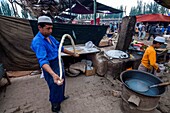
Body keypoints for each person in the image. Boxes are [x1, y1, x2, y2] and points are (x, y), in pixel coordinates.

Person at [31, 16, 79, 113]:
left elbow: (59, 47)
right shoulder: (38, 42)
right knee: (54, 84)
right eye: (48, 28)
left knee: (62, 81)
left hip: (58, 61)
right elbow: (43, 61)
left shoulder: (49, 37)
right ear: (40, 28)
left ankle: (61, 97)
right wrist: (53, 74)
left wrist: (72, 53)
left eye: (51, 28)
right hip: (50, 65)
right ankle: (55, 105)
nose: (51, 30)